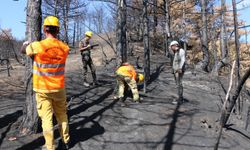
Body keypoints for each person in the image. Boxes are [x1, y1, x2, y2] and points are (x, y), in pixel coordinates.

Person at [21, 16, 70, 150]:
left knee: (47, 119)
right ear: (58, 30)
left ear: (44, 29)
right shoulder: (65, 47)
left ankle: (50, 146)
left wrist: (26, 44)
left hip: (42, 89)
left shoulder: (38, 46)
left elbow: (23, 51)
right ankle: (66, 140)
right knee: (62, 114)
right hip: (59, 88)